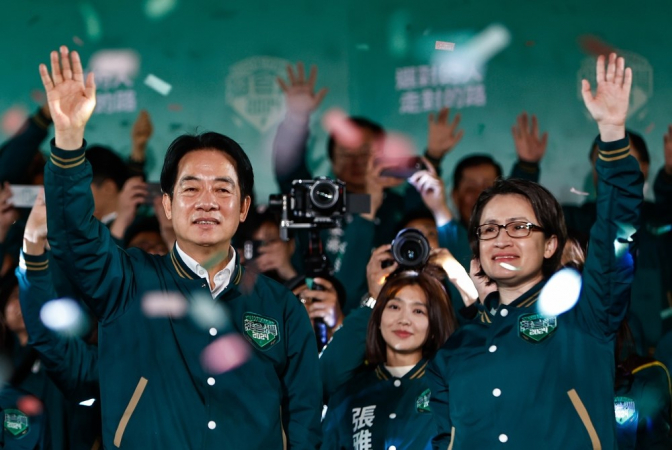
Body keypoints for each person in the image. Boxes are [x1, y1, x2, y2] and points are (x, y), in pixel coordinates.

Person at [39, 45, 321, 448]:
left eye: (222, 188)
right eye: (191, 188)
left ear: (243, 208)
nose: (207, 201)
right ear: (168, 205)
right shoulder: (127, 283)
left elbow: (305, 420)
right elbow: (72, 236)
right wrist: (68, 137)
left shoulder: (282, 308)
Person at [427, 53, 643, 449]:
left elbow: (616, 229)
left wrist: (612, 133)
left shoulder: (587, 315)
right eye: (489, 229)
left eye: (520, 227)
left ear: (551, 245)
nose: (503, 239)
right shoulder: (457, 347)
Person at [322, 269, 457, 450]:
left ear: (434, 326)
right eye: (394, 307)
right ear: (377, 318)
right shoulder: (350, 392)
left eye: (418, 311)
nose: (404, 320)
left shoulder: (448, 389)